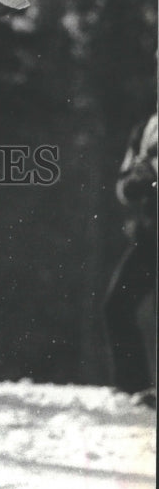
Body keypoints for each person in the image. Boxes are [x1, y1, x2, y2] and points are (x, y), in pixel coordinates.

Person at [101, 112, 157, 405]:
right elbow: (124, 186)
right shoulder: (146, 127)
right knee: (117, 305)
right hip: (151, 233)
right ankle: (133, 386)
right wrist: (141, 180)